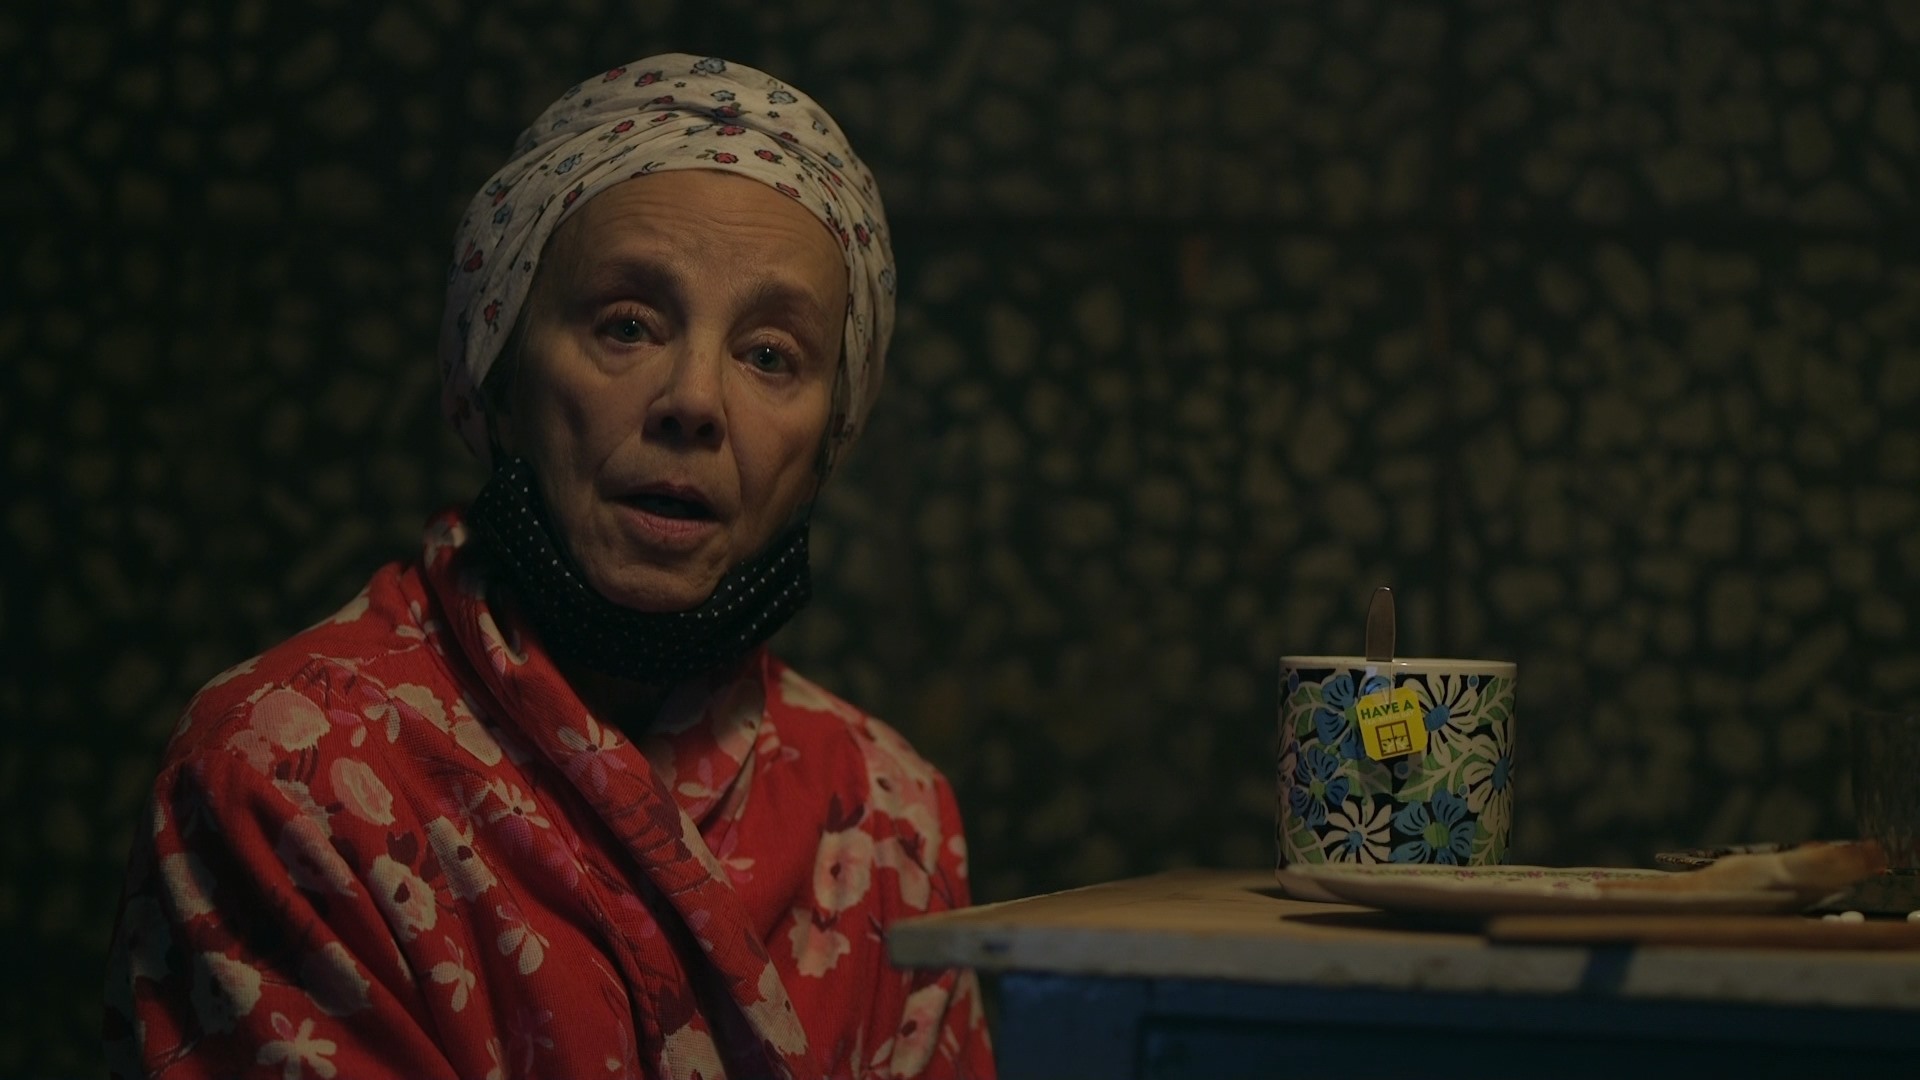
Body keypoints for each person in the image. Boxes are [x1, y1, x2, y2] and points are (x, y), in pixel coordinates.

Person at [104, 53, 995, 1079]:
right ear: (500, 373)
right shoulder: (287, 773)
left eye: (769, 355)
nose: (694, 400)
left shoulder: (887, 816)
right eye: (627, 326)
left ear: (829, 440)